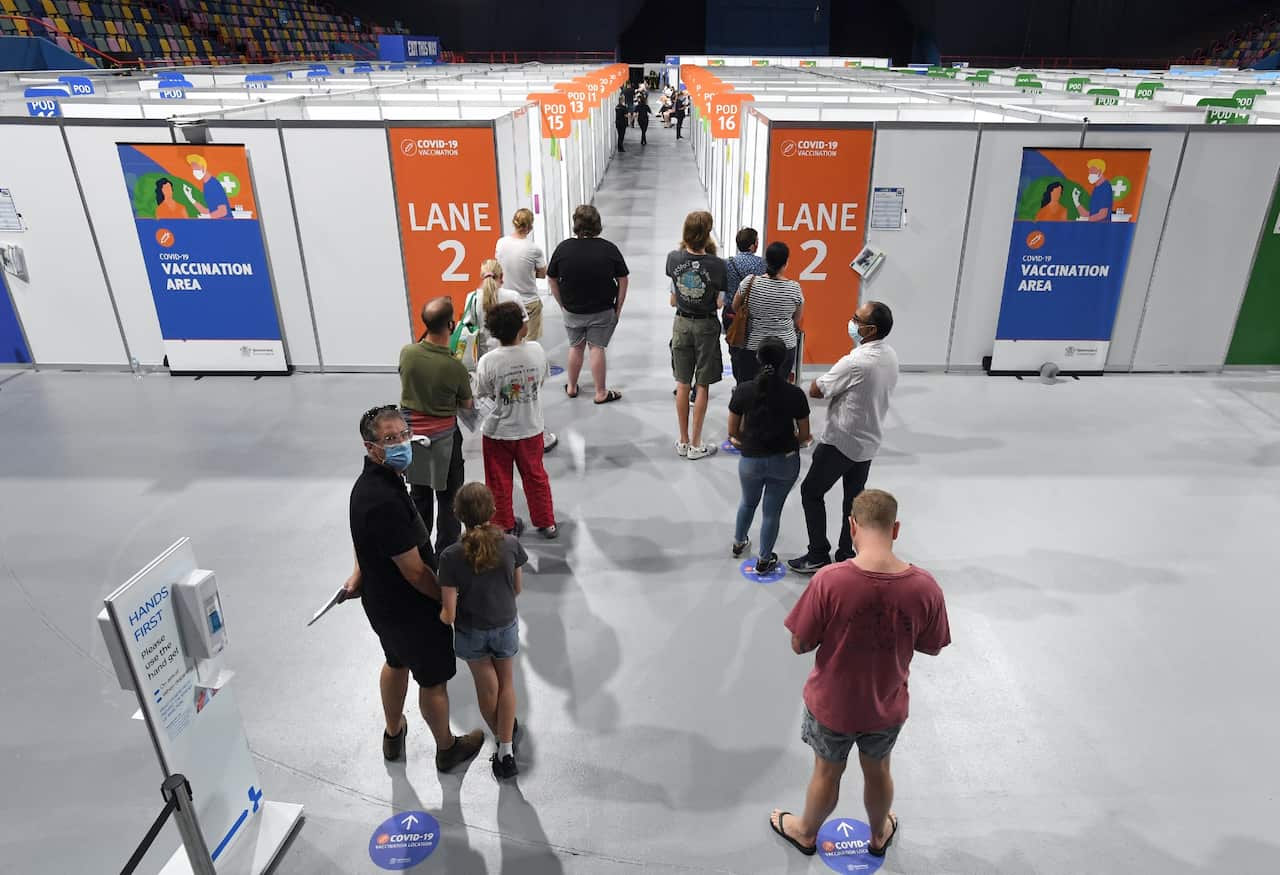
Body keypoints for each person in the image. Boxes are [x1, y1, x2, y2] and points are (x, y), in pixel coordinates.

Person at [769, 489, 950, 859]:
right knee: (879, 770)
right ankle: (879, 833)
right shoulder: (925, 587)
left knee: (826, 772)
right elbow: (932, 646)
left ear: (852, 526)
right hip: (886, 707)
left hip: (832, 706)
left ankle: (805, 832)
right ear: (895, 529)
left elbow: (799, 644)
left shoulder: (829, 580)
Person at [342, 406, 485, 771]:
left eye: (404, 434)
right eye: (390, 439)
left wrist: (358, 573)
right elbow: (415, 572)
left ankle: (393, 734)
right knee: (433, 680)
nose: (402, 443)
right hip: (411, 609)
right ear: (370, 447)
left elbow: (364, 540)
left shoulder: (369, 485)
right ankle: (447, 748)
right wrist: (446, 598)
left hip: (380, 603)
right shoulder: (385, 500)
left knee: (395, 661)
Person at [788, 302, 898, 575]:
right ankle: (847, 552)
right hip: (868, 442)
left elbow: (817, 389)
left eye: (856, 319)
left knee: (811, 492)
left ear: (870, 329)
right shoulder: (890, 355)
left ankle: (817, 554)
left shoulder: (855, 362)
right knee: (853, 502)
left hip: (841, 441)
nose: (851, 323)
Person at [439, 482, 529, 780]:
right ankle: (506, 750)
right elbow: (516, 589)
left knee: (486, 688)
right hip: (505, 624)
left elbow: (449, 614)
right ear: (493, 510)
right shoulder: (511, 544)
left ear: (457, 515)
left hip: (471, 632)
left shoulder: (451, 557)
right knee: (507, 685)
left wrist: (439, 614)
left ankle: (500, 737)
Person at [474, 302, 558, 539]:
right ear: (522, 327)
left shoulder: (488, 362)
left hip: (497, 432)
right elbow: (541, 380)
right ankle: (546, 522)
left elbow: (483, 394)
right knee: (536, 476)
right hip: (530, 428)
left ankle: (504, 525)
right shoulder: (536, 351)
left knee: (498, 480)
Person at [728, 337, 811, 575]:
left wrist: (751, 443)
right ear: (785, 361)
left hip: (751, 460)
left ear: (757, 358)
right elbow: (804, 435)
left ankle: (739, 542)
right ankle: (764, 559)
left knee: (747, 502)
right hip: (784, 462)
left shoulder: (743, 390)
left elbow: (732, 432)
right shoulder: (795, 394)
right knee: (771, 511)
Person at [399, 297, 474, 554]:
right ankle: (447, 554)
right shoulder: (454, 366)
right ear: (451, 325)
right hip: (445, 442)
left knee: (419, 496)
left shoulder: (407, 353)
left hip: (413, 439)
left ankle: (422, 553)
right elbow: (466, 404)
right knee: (450, 500)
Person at [547, 205, 628, 405]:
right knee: (596, 347)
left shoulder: (563, 248)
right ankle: (600, 392)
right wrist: (618, 307)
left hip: (573, 310)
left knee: (575, 347)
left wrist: (562, 304)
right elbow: (623, 279)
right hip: (602, 310)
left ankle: (572, 387)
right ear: (597, 224)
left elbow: (551, 278)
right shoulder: (609, 249)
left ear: (576, 224)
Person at [495, 208, 557, 453]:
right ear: (530, 227)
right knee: (528, 349)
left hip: (506, 302)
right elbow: (542, 274)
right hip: (529, 303)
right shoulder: (534, 250)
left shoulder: (501, 243)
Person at [666, 210, 727, 460]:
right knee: (702, 384)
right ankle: (696, 443)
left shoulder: (673, 258)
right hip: (706, 327)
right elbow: (720, 303)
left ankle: (682, 440)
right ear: (708, 234)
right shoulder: (718, 265)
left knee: (682, 383)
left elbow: (672, 299)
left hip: (681, 323)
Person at [732, 241, 804, 383]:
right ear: (786, 263)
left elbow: (735, 307)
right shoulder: (794, 288)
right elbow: (797, 319)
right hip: (784, 347)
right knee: (778, 388)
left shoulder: (750, 282)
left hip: (753, 344)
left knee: (749, 385)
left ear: (766, 260)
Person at [722, 228, 769, 381]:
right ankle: (752, 382)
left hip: (732, 313)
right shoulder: (762, 264)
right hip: (755, 313)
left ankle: (739, 382)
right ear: (751, 246)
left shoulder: (728, 263)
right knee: (753, 349)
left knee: (734, 349)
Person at [467, 260, 529, 356]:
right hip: (513, 354)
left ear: (481, 277)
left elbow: (469, 329)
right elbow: (524, 330)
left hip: (484, 355)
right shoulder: (513, 296)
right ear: (502, 276)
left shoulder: (472, 298)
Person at [183, 154, 230, 219]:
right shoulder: (206, 185)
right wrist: (191, 198)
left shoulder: (213, 185)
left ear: (203, 167)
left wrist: (209, 216)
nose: (194, 171)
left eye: (195, 168)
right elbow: (208, 211)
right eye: (192, 169)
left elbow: (223, 211)